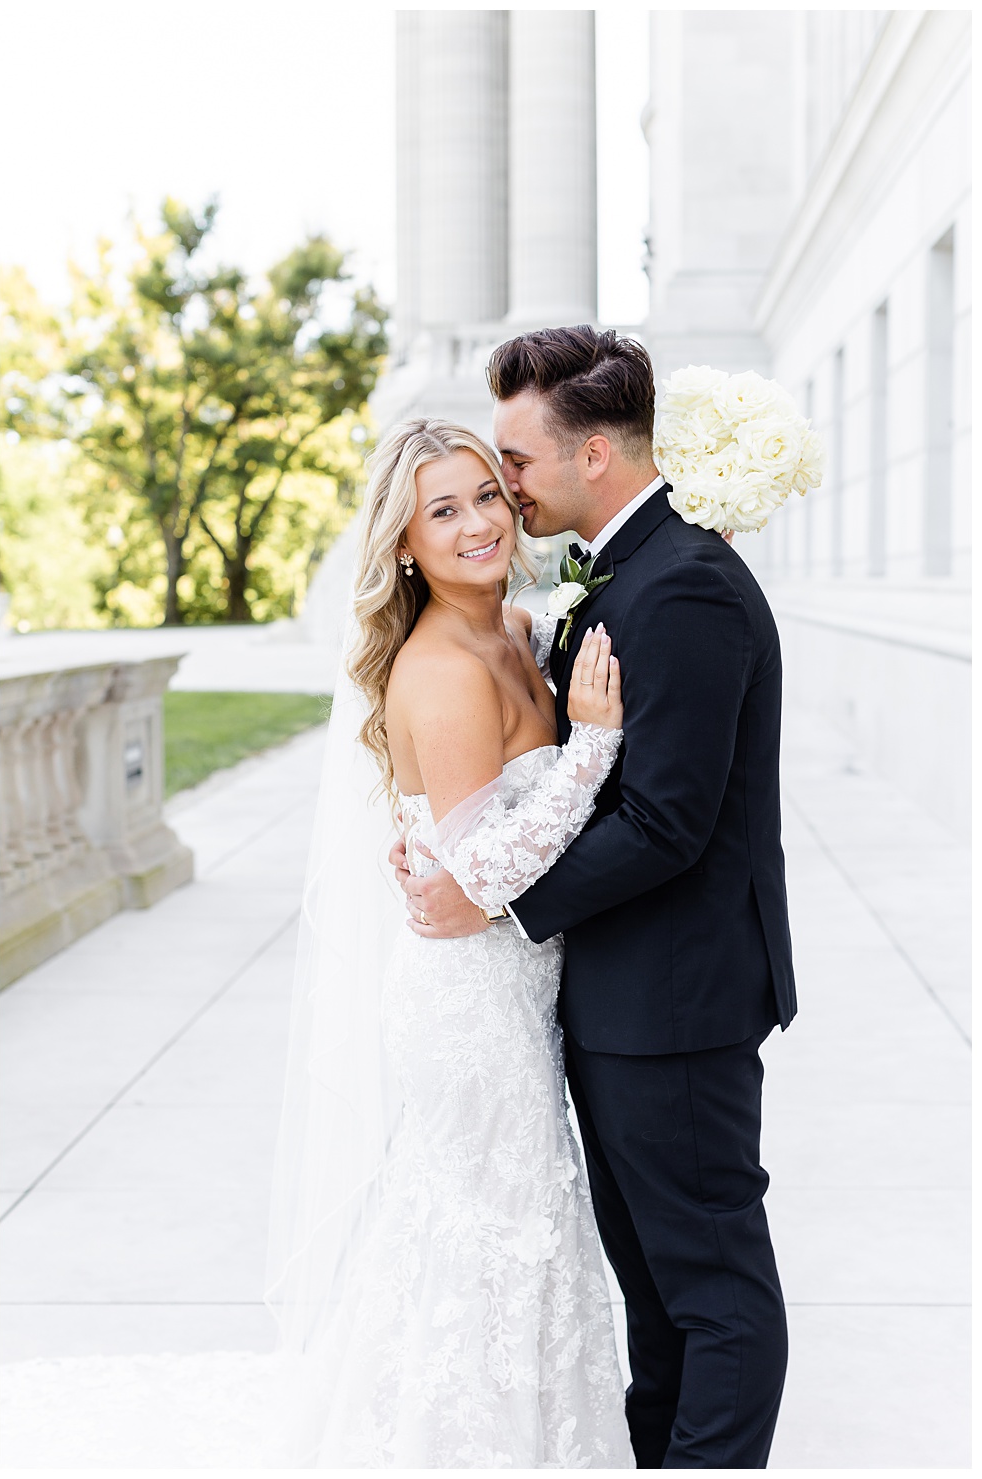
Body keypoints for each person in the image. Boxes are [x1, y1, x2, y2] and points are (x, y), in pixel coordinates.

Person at [391, 327, 794, 1468]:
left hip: (676, 1003)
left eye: (513, 462)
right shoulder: (618, 576)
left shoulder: (686, 590)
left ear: (598, 454)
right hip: (614, 998)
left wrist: (493, 900)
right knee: (656, 1295)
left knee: (711, 1293)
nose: (503, 492)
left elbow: (666, 824)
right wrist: (445, 847)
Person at [267, 417, 636, 1468]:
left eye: (485, 493)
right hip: (469, 999)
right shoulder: (440, 666)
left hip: (517, 982)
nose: (478, 523)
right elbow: (482, 873)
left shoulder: (515, 631)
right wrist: (592, 747)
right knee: (491, 1227)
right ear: (402, 543)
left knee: (517, 1225)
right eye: (443, 510)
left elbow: (462, 850)